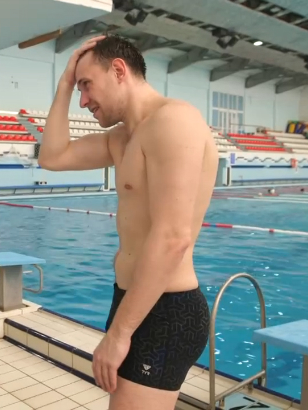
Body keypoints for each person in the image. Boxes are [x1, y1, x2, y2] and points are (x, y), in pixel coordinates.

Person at [38, 34, 217, 409]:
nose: (83, 100)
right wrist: (65, 83)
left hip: (166, 311)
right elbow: (52, 157)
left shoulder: (174, 121)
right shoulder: (122, 138)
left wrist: (119, 334)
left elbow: (173, 239)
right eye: (79, 89)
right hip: (133, 303)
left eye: (86, 85)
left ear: (118, 70)